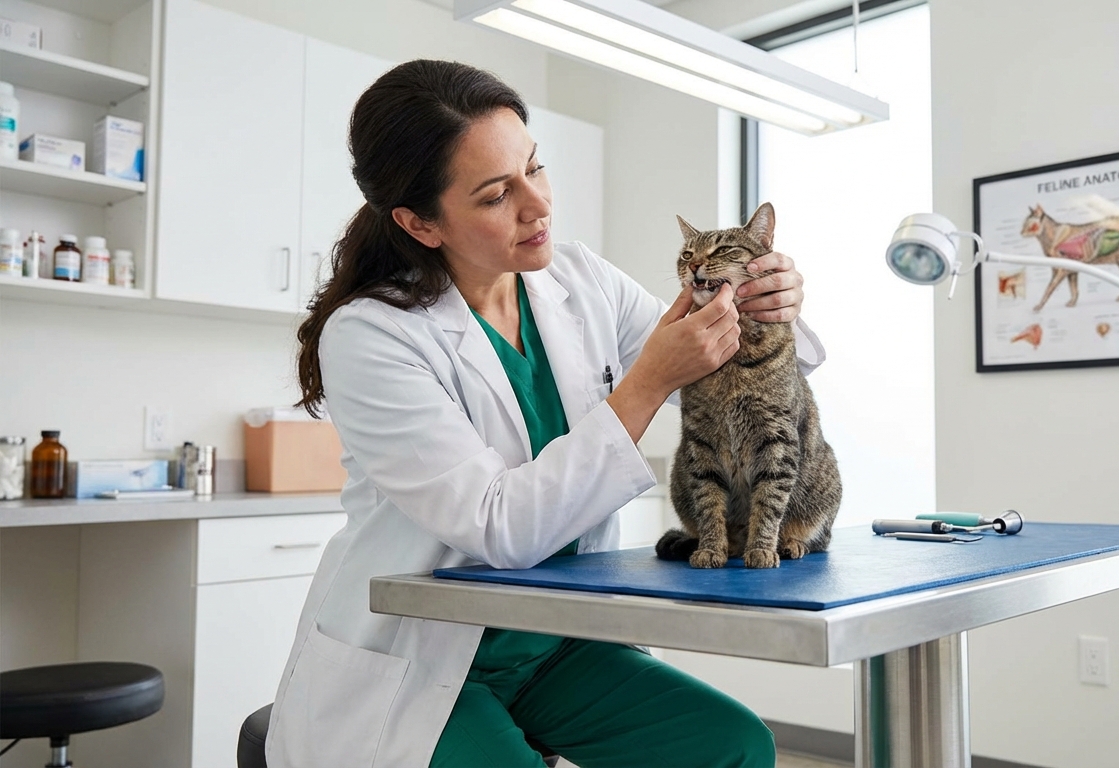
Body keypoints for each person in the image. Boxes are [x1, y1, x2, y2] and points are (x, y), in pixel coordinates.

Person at [264, 60, 824, 768]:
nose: (538, 206)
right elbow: (499, 526)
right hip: (422, 659)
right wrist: (646, 384)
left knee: (732, 746)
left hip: (556, 647)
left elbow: (730, 379)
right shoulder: (372, 334)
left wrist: (769, 308)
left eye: (536, 168)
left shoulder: (582, 281)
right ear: (420, 222)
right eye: (498, 194)